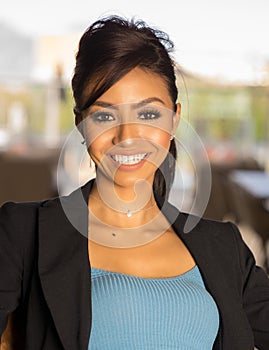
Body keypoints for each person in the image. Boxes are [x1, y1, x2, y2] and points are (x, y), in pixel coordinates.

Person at [0, 15, 269, 350]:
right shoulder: (24, 232)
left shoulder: (223, 247)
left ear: (174, 119)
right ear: (81, 124)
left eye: (148, 114)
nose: (127, 137)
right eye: (104, 116)